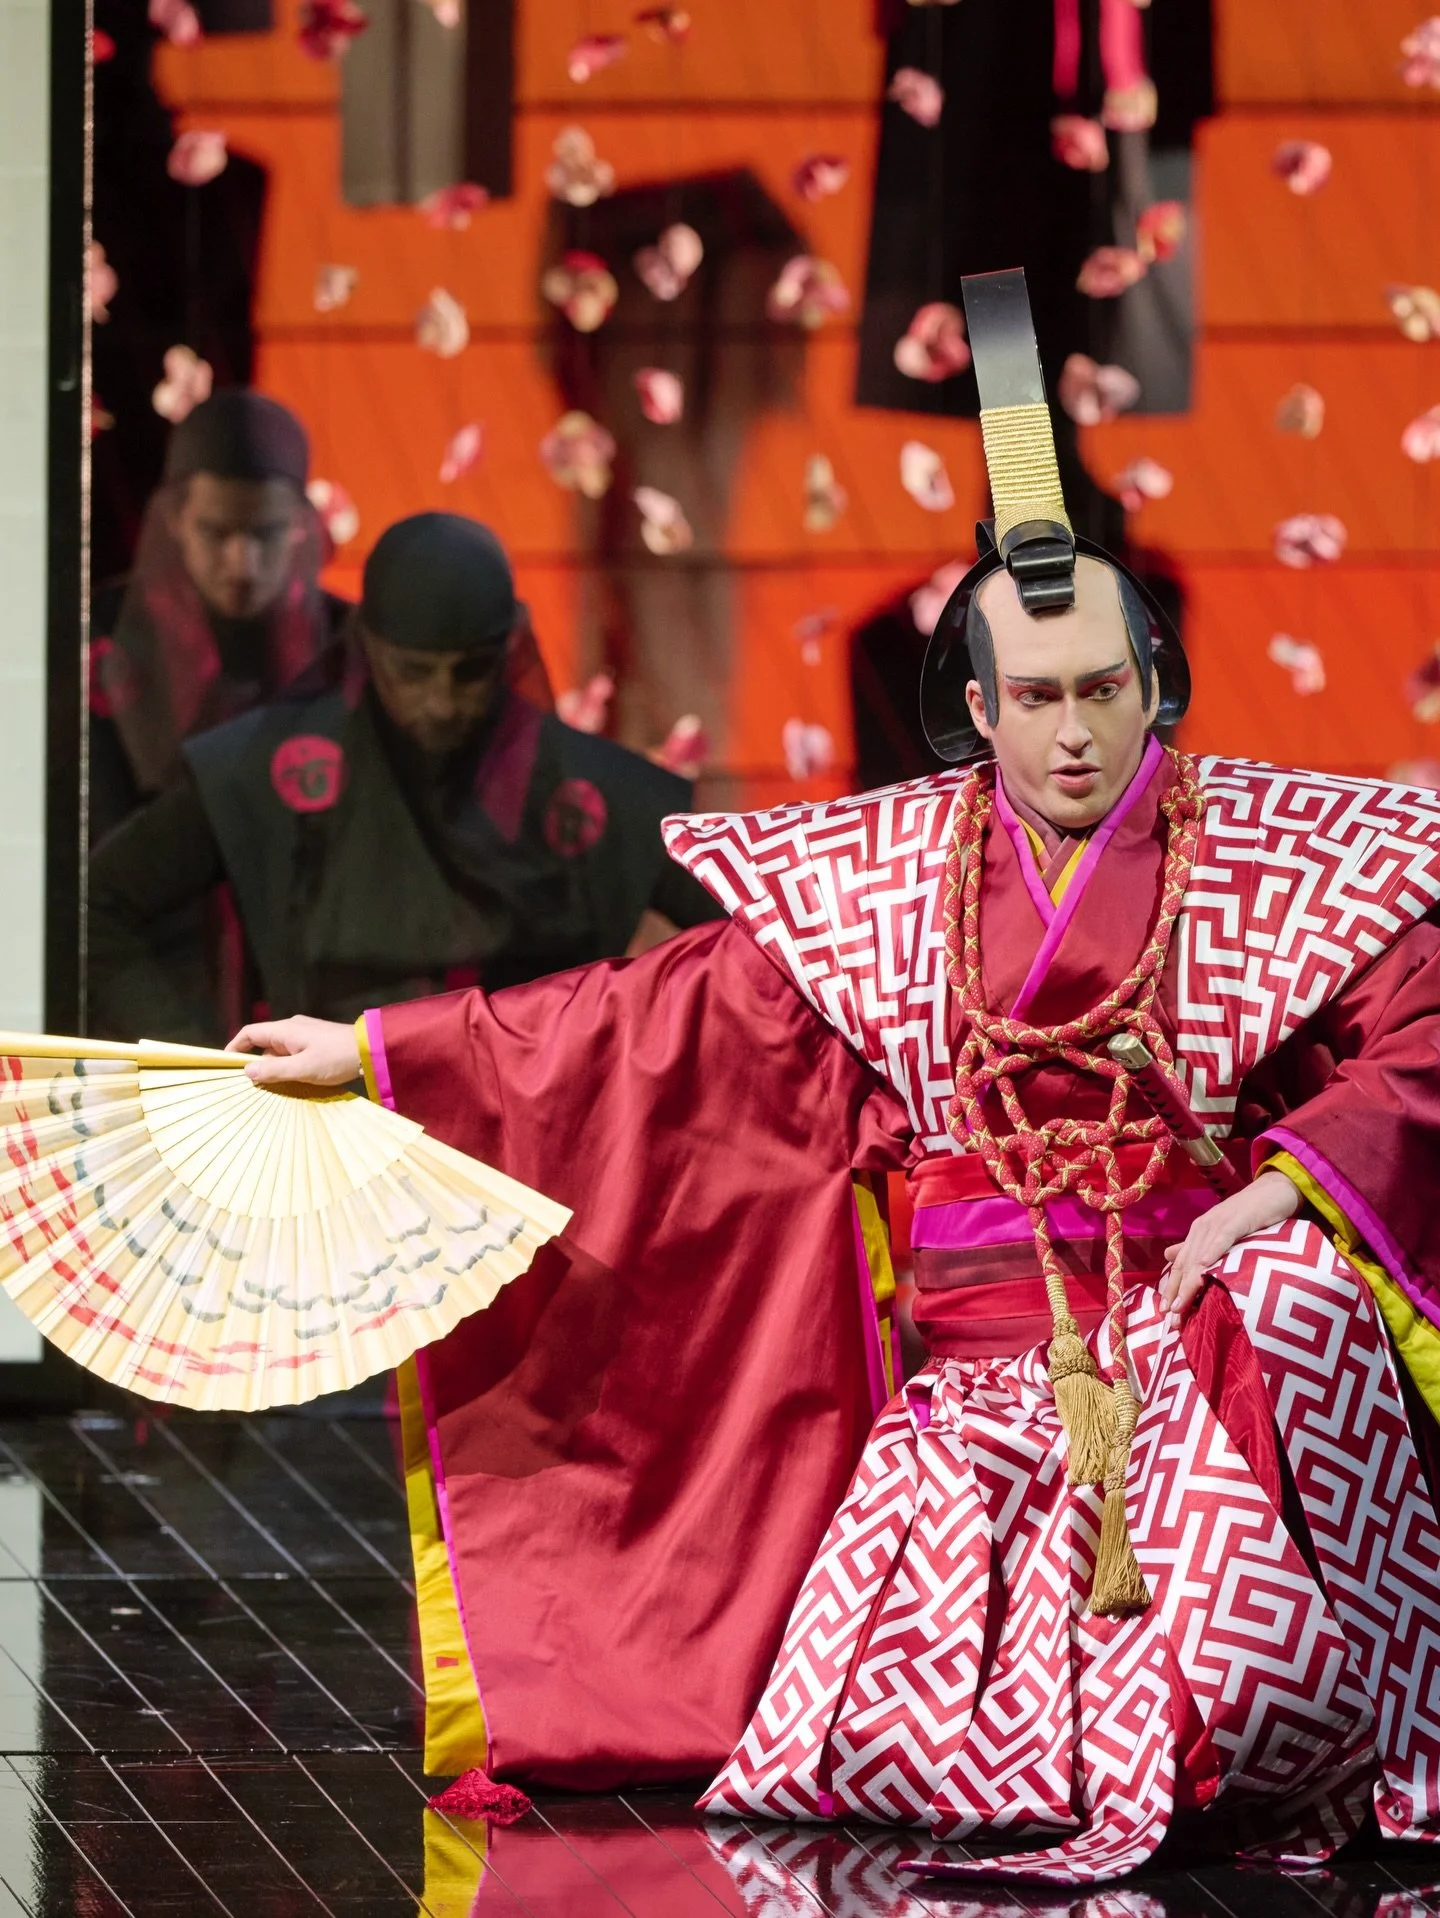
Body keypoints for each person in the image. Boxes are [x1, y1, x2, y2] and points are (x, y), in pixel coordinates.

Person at [225, 275, 1440, 1882]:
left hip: (1203, 1346)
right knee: (860, 1765)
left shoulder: (1267, 854)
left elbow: (1423, 1034)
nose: (1074, 736)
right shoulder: (895, 875)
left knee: (1294, 1366)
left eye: (1103, 693)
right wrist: (386, 1049)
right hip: (980, 1392)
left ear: (1155, 688)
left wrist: (1275, 1195)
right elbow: (650, 1018)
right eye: (1037, 698)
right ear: (979, 708)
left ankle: (1287, 1709)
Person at [89, 511, 719, 1046]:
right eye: (415, 673)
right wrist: (203, 1073)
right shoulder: (272, 768)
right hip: (324, 1141)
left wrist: (644, 1061)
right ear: (369, 648)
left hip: (529, 1149)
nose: (443, 703)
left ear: (509, 650)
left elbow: (758, 939)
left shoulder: (597, 791)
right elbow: (103, 904)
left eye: (469, 672)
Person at [90, 389, 348, 843]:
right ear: (173, 519)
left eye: (266, 533)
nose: (242, 565)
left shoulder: (346, 640)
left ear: (298, 524)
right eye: (215, 532)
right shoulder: (100, 637)